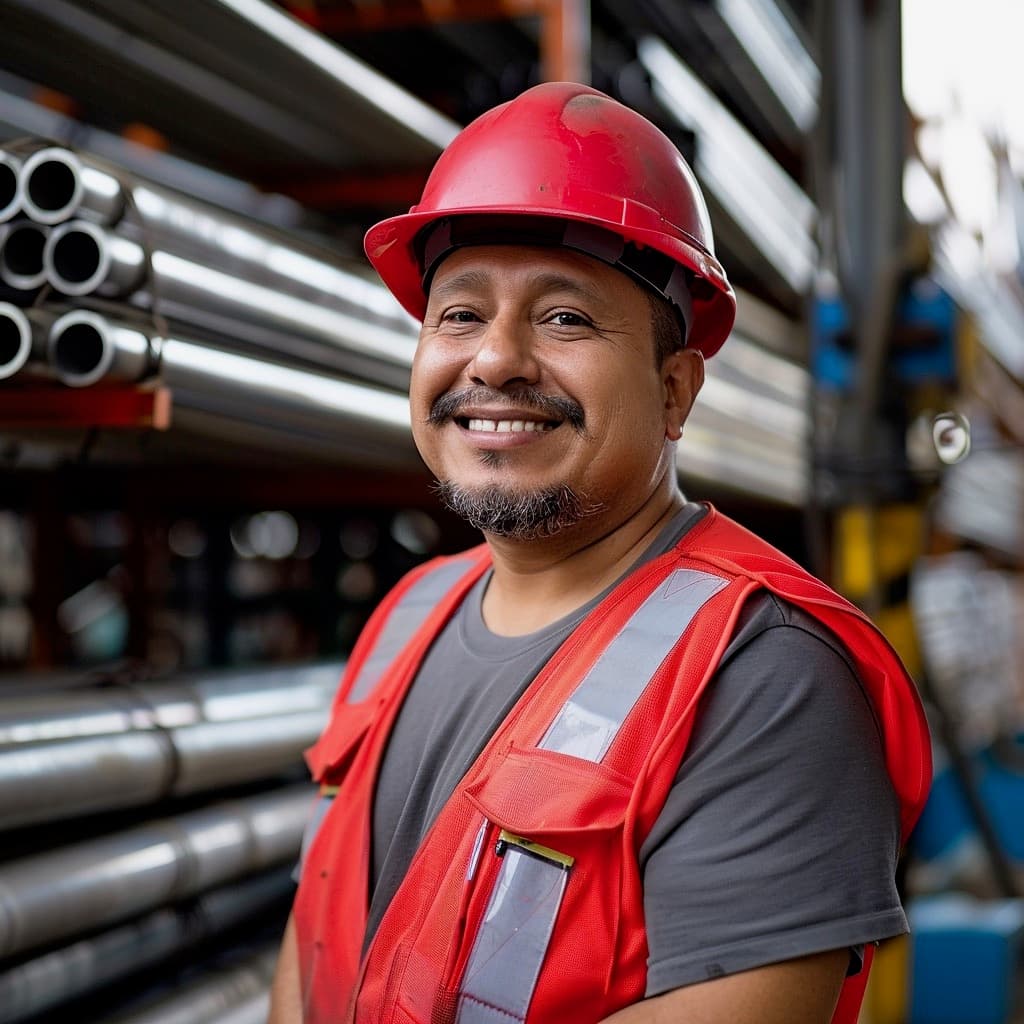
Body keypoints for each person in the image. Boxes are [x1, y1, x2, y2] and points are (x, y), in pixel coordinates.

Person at [269, 82, 931, 1024]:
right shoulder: (406, 616)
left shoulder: (762, 673)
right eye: (458, 315)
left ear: (674, 392)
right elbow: (318, 932)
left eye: (565, 318)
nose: (494, 361)